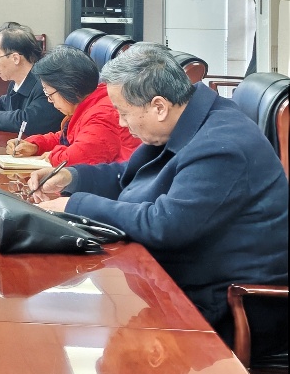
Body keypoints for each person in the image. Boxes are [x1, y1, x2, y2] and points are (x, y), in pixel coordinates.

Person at [28, 43, 289, 350]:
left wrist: (75, 205)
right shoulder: (184, 120)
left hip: (227, 307)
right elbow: (129, 176)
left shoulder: (221, 145)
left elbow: (165, 225)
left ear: (159, 107)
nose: (121, 123)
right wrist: (72, 178)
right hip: (177, 283)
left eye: (124, 113)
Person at [5, 46, 139, 166]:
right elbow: (68, 137)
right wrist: (35, 145)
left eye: (49, 93)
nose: (49, 100)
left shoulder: (103, 114)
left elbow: (78, 158)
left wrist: (53, 155)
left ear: (69, 88)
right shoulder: (91, 102)